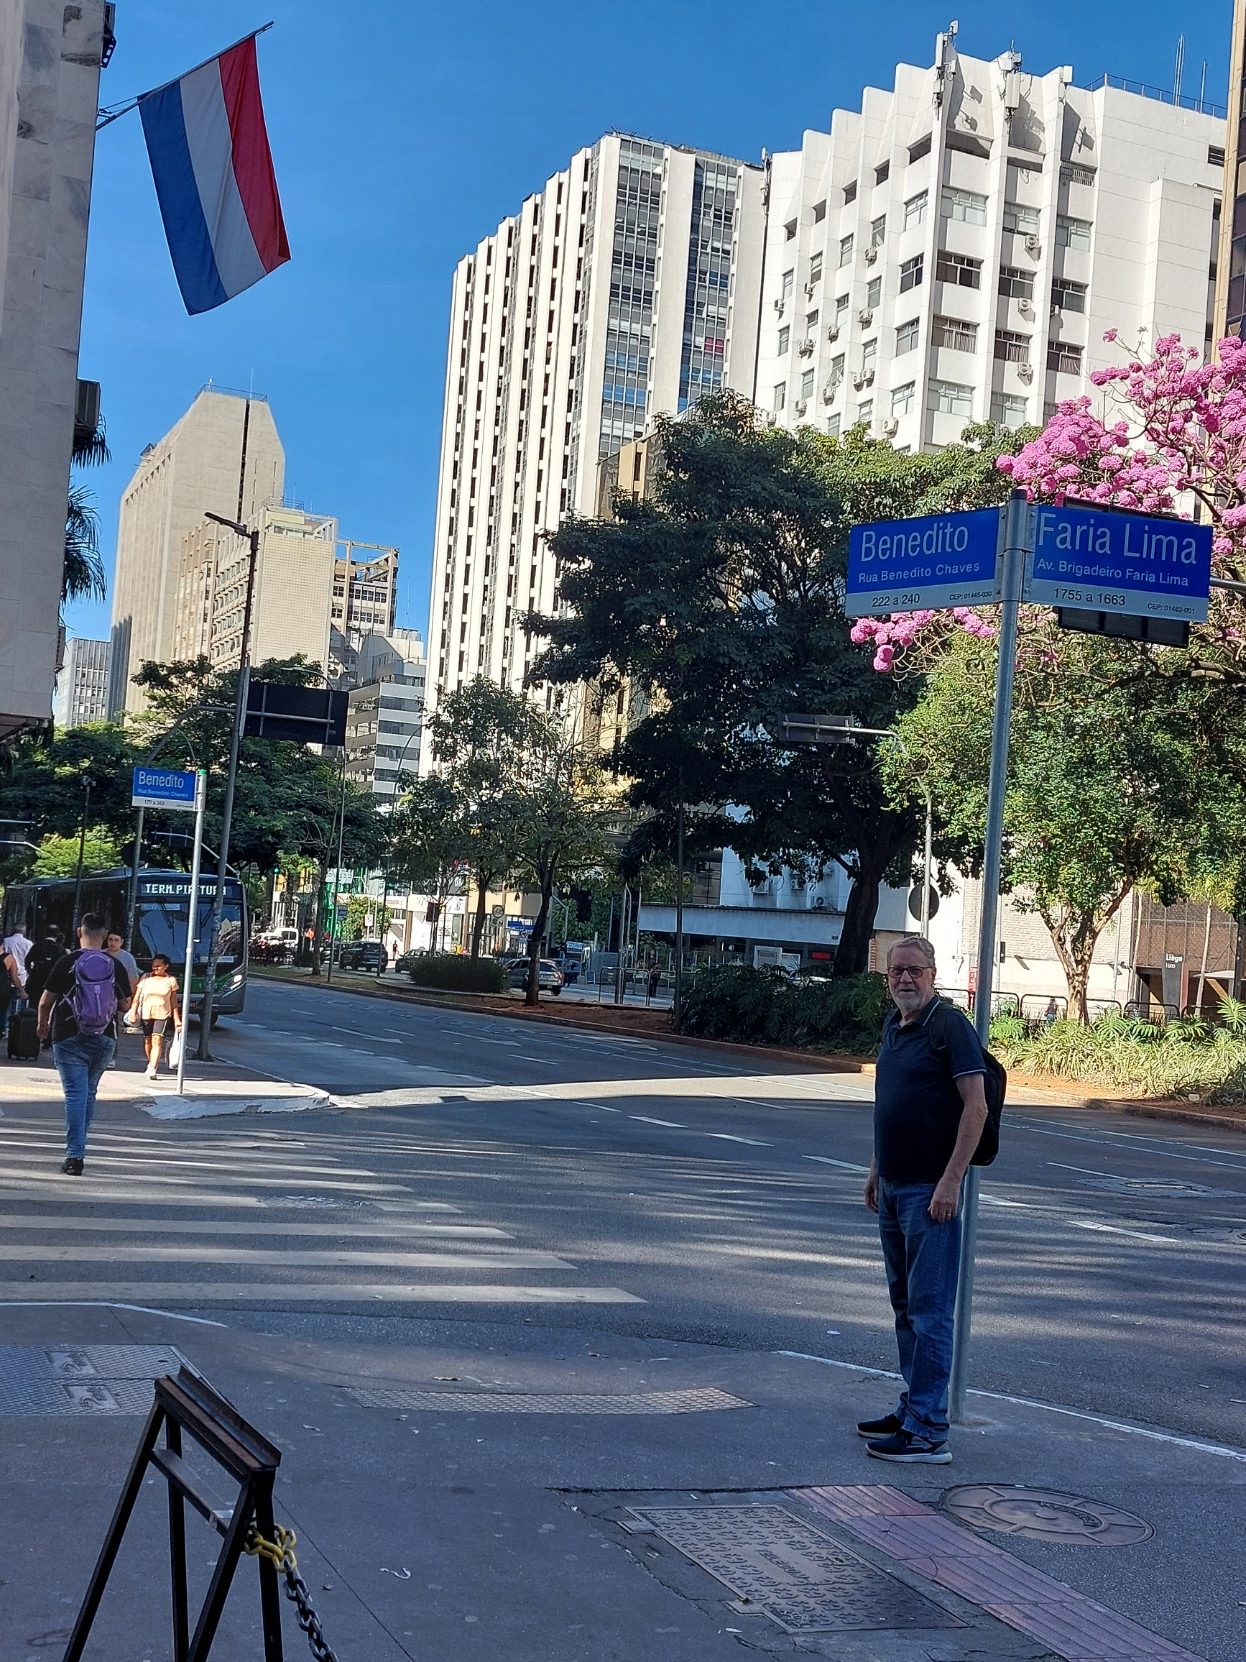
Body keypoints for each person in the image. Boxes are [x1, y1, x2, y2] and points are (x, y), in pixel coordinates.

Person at [860, 935, 987, 1465]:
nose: (905, 980)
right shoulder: (895, 1026)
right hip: (893, 1187)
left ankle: (930, 1430)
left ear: (933, 974)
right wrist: (874, 1170)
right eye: (896, 973)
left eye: (915, 971)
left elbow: (975, 1107)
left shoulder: (949, 1026)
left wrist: (951, 1181)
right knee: (905, 1307)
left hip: (929, 1194)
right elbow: (890, 1105)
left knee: (932, 1313)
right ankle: (914, 1407)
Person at [36, 913, 131, 1175]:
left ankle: (75, 1155)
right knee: (88, 1093)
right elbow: (125, 1004)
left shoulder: (67, 961)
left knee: (75, 1095)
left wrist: (42, 1025)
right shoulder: (114, 964)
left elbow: (45, 1001)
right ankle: (78, 1148)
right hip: (104, 1036)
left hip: (68, 1034)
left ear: (80, 932)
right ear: (103, 935)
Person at [127, 953, 182, 1080]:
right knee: (148, 1041)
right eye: (154, 966)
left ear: (166, 966)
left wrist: (176, 1019)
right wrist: (133, 1012)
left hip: (163, 1014)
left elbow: (173, 1001)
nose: (155, 968)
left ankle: (153, 1066)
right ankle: (150, 1062)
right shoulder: (146, 978)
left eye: (159, 966)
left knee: (157, 1040)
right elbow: (136, 997)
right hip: (147, 1013)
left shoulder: (170, 981)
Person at [23, 924, 66, 1007]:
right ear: (57, 935)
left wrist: (30, 972)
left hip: (36, 981)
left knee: (34, 1005)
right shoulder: (60, 949)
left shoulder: (37, 946)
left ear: (45, 933)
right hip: (52, 983)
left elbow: (27, 961)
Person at [105, 930, 139, 997]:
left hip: (120, 996)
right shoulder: (100, 955)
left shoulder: (128, 958)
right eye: (110, 939)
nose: (113, 943)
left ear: (121, 942)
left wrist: (129, 999)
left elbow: (133, 980)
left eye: (116, 940)